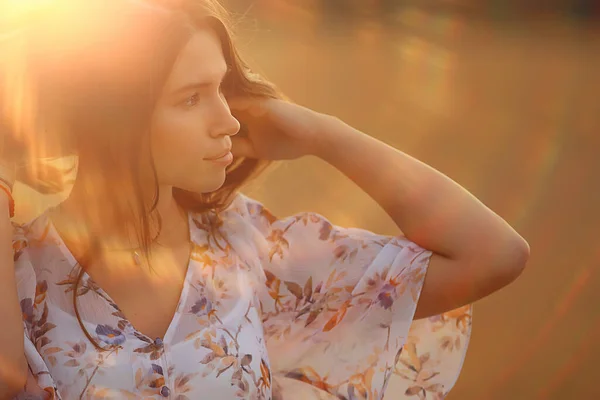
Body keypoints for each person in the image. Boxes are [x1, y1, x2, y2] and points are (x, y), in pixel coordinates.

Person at [0, 0, 529, 399]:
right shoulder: (19, 270)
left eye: (222, 91)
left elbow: (493, 255)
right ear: (114, 117)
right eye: (191, 98)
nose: (228, 121)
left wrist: (326, 135)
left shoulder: (256, 250)